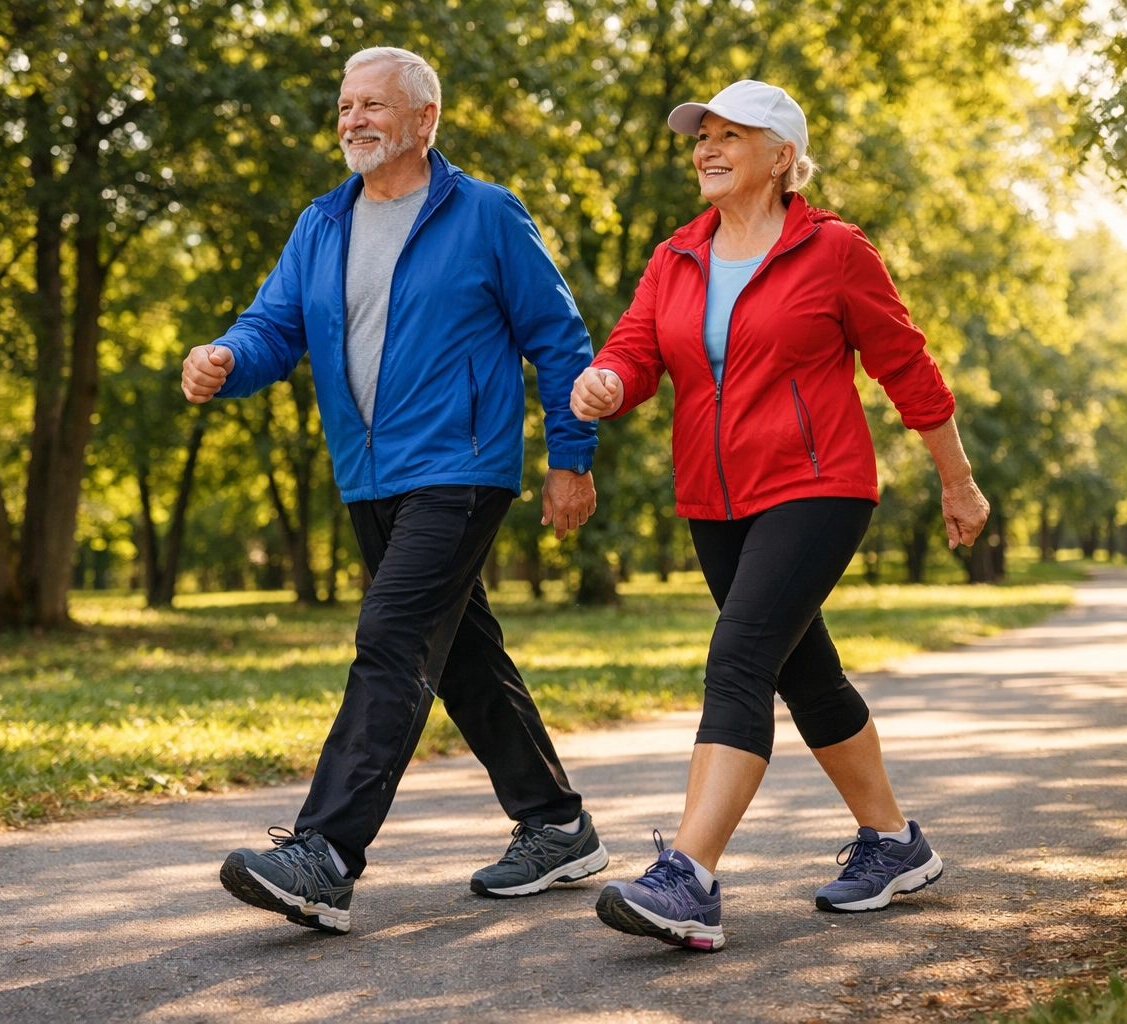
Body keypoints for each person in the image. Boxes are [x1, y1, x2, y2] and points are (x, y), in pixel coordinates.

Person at [181, 47, 610, 936]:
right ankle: (558, 824)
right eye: (344, 105)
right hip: (367, 472)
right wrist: (226, 358)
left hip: (460, 465)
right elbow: (274, 324)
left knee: (389, 633)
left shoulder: (487, 214)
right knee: (458, 654)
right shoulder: (322, 223)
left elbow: (560, 340)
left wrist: (570, 458)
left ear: (424, 120)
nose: (352, 120)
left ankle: (324, 855)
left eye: (373, 104)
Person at [570, 80, 991, 951]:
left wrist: (958, 481)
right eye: (702, 136)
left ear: (782, 157)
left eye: (732, 135)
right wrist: (607, 381)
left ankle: (688, 877)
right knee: (806, 676)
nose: (708, 148)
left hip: (818, 484)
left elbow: (905, 366)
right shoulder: (675, 255)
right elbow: (637, 348)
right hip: (714, 498)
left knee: (739, 660)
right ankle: (893, 844)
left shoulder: (835, 252)